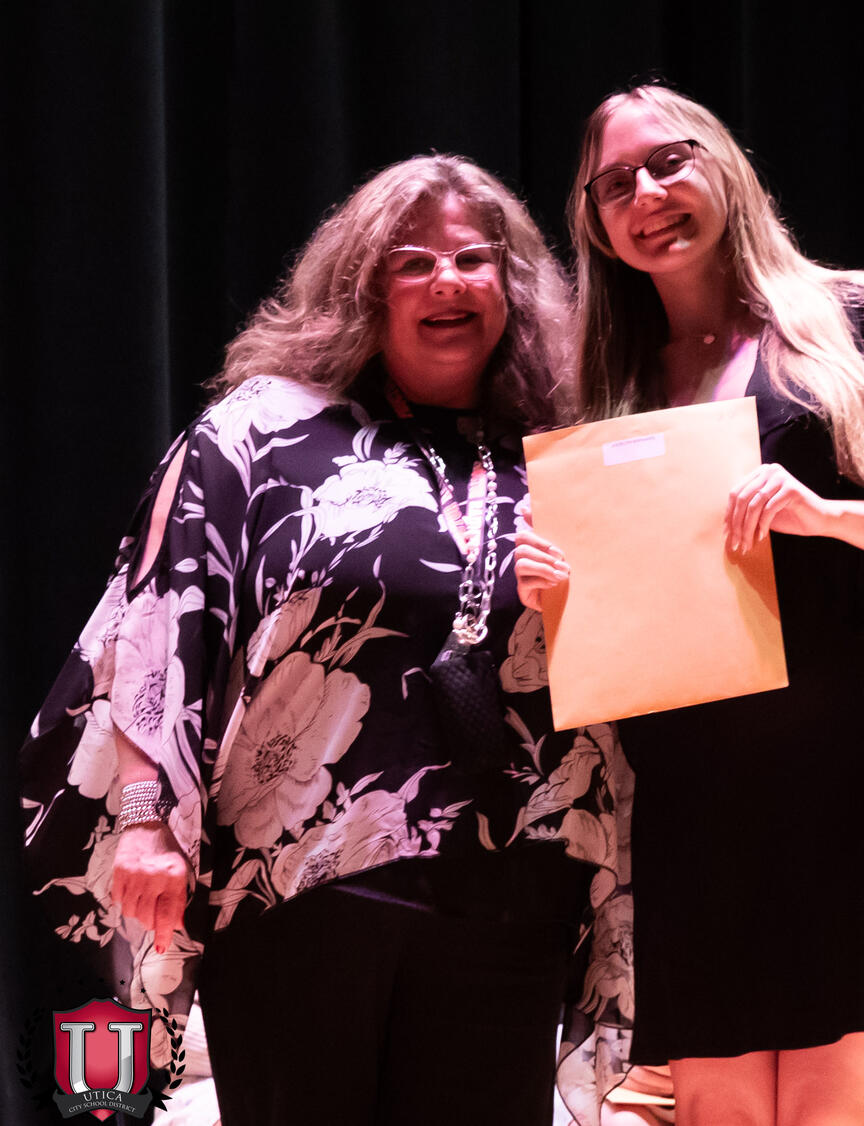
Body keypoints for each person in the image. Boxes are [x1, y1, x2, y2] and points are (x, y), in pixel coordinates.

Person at [20, 154, 629, 1126]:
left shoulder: (564, 448)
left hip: (511, 891)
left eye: (473, 259)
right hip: (298, 891)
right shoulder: (261, 431)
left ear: (511, 286)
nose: (447, 281)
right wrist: (144, 818)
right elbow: (154, 620)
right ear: (362, 287)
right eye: (413, 262)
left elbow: (635, 654)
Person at [515, 84, 864, 1126]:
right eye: (615, 184)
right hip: (699, 783)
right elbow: (615, 620)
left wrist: (828, 516)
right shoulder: (608, 386)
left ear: (725, 166)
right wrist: (557, 586)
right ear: (594, 222)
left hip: (851, 762)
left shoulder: (852, 318)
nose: (647, 195)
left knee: (828, 1113)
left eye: (670, 161)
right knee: (721, 1114)